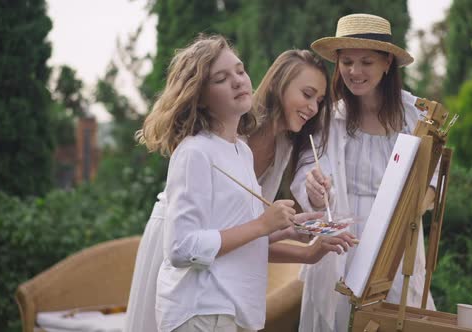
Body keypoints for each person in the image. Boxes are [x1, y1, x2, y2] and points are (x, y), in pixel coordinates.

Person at [125, 35, 352, 332]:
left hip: (227, 289)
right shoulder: (207, 147)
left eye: (240, 71)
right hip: (199, 283)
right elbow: (188, 244)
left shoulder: (247, 149)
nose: (312, 107)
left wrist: (296, 234)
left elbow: (242, 228)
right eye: (307, 94)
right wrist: (267, 227)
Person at [291, 14, 438, 332]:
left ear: (387, 63)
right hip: (342, 242)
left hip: (397, 241)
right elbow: (311, 167)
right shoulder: (329, 116)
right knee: (341, 316)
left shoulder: (415, 117)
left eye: (366, 62)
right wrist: (314, 188)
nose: (354, 72)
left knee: (394, 318)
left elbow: (432, 181)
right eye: (347, 62)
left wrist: (412, 212)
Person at [247, 49, 355, 262]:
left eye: (320, 100)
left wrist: (292, 228)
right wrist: (306, 252)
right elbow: (218, 236)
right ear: (279, 84)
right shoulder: (235, 132)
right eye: (307, 94)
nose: (314, 108)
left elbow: (247, 239)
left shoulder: (284, 144)